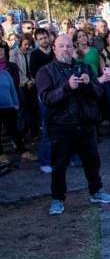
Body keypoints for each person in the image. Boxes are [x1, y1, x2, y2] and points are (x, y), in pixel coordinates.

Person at [36, 34, 110, 216]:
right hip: (61, 127)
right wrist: (66, 87)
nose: (66, 49)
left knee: (92, 162)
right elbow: (46, 98)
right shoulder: (45, 71)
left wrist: (88, 84)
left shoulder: (83, 67)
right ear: (54, 48)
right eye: (61, 46)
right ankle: (57, 199)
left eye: (69, 46)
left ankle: (96, 191)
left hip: (85, 125)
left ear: (74, 48)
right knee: (59, 166)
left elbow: (98, 92)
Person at [0, 42, 35, 164]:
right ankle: (1, 155)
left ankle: (23, 152)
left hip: (9, 105)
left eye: (1, 51)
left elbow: (13, 89)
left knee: (13, 129)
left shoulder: (6, 72)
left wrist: (15, 103)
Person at [30, 28, 55, 173]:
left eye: (45, 37)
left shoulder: (54, 52)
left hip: (58, 91)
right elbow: (35, 73)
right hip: (44, 94)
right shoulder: (35, 55)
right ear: (37, 40)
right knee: (47, 127)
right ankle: (45, 160)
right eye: (41, 38)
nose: (44, 40)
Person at [11, 33, 40, 139]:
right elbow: (16, 71)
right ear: (20, 43)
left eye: (29, 44)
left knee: (34, 109)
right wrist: (26, 81)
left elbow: (33, 68)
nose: (27, 46)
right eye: (25, 44)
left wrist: (32, 81)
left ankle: (34, 132)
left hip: (32, 83)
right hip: (21, 85)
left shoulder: (31, 52)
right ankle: (21, 134)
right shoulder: (13, 53)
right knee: (24, 110)